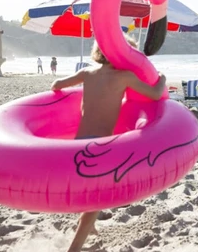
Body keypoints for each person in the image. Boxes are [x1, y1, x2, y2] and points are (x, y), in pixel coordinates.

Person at [50, 35, 166, 252]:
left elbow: (56, 84)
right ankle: (74, 247)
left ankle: (88, 226)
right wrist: (162, 79)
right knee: (98, 198)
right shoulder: (125, 77)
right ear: (125, 55)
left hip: (77, 145)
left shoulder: (87, 73)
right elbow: (155, 94)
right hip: (99, 148)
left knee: (94, 195)